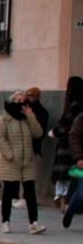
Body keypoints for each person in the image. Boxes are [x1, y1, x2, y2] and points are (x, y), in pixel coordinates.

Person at [0, 90, 45, 234]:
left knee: (30, 192)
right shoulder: (5, 118)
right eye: (18, 100)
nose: (21, 103)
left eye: (24, 100)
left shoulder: (27, 117)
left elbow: (38, 133)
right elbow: (0, 138)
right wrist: (10, 154)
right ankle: (5, 221)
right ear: (13, 101)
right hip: (11, 161)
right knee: (9, 193)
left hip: (27, 160)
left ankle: (33, 223)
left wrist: (30, 115)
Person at [50, 76, 82, 210]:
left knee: (67, 176)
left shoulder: (74, 106)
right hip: (76, 147)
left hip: (68, 147)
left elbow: (66, 126)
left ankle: (66, 205)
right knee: (74, 177)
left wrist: (54, 132)